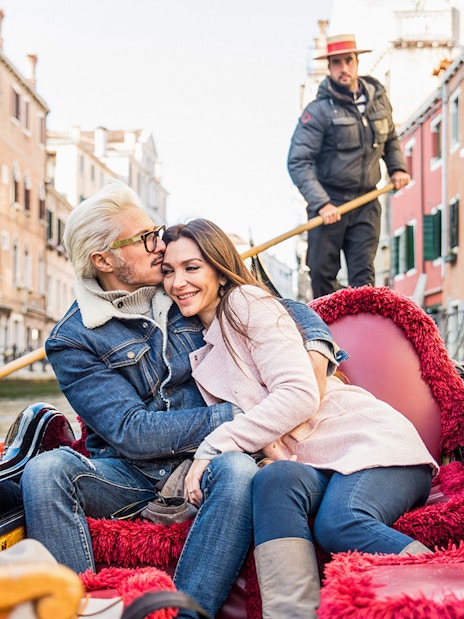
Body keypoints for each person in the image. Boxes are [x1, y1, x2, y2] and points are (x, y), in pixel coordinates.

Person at [20, 181, 339, 619]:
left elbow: (276, 305)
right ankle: (81, 609)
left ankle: (186, 613)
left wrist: (317, 351)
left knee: (237, 468)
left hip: (213, 463)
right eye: (145, 238)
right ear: (104, 260)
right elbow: (131, 432)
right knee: (46, 470)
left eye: (157, 230)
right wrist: (236, 416)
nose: (160, 246)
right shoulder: (71, 340)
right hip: (131, 475)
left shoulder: (181, 286)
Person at [161, 218, 437, 619]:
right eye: (168, 272)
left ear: (220, 271)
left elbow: (299, 393)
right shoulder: (206, 341)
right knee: (273, 480)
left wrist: (215, 444)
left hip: (372, 447)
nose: (178, 282)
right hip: (317, 461)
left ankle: (449, 584)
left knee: (339, 524)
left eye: (192, 268)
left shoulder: (246, 303)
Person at [287, 34, 410, 299]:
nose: (344, 68)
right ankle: (329, 332)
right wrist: (321, 203)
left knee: (364, 277)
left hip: (366, 201)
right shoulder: (318, 111)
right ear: (330, 67)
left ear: (356, 63)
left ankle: (361, 336)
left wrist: (397, 168)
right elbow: (298, 161)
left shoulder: (378, 100)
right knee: (321, 275)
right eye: (337, 63)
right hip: (330, 203)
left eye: (348, 61)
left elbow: (389, 139)